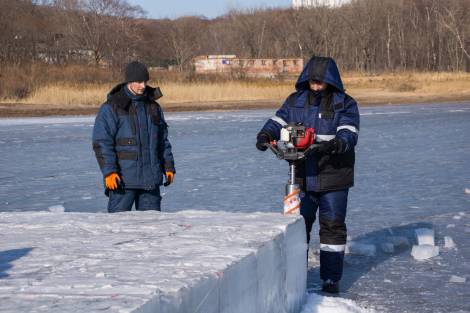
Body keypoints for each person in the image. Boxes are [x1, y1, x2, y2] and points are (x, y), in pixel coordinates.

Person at [256, 56, 359, 293]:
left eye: (320, 83)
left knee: (332, 227)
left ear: (330, 82)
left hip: (334, 177)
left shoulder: (345, 103)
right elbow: (278, 120)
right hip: (298, 175)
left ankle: (331, 278)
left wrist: (334, 145)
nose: (315, 86)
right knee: (295, 225)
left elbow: (349, 132)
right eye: (312, 82)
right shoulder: (295, 100)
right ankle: (295, 274)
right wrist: (264, 135)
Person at [92, 61, 175, 213]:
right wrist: (109, 172)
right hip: (122, 182)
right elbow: (102, 143)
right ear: (128, 81)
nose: (142, 85)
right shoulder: (111, 108)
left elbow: (162, 141)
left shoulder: (153, 107)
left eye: (145, 81)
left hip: (150, 182)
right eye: (138, 81)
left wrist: (168, 166)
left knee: (152, 230)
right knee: (119, 229)